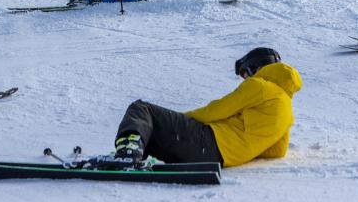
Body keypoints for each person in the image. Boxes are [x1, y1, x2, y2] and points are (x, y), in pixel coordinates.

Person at [107, 47, 302, 168]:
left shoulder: (260, 86)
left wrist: (180, 120)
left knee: (142, 109)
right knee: (155, 132)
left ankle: (128, 154)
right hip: (216, 158)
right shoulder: (286, 110)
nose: (246, 79)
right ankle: (134, 150)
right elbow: (277, 151)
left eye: (245, 74)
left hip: (208, 142)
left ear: (257, 68)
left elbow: (216, 111)